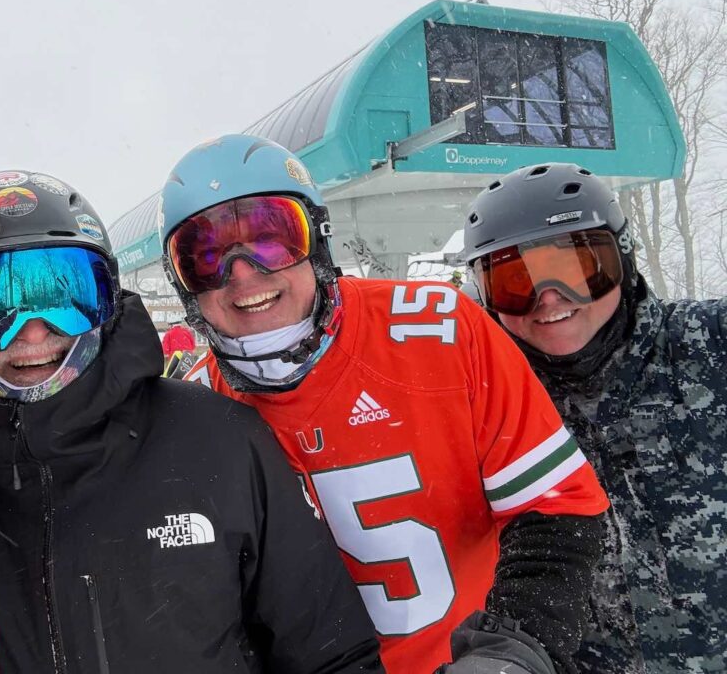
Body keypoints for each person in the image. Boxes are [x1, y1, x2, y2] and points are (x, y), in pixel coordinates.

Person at [159, 134, 611, 674]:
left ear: (319, 240)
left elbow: (558, 507)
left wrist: (513, 650)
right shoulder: (197, 412)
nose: (243, 273)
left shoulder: (441, 330)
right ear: (183, 284)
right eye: (204, 256)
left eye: (272, 237)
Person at [0, 170, 384, 673]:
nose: (34, 333)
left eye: (66, 295)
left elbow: (332, 653)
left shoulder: (219, 442)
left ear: (106, 302)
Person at [463, 162, 727, 673]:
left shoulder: (709, 345)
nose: (549, 300)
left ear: (621, 260)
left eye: (576, 269)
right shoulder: (487, 403)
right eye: (516, 281)